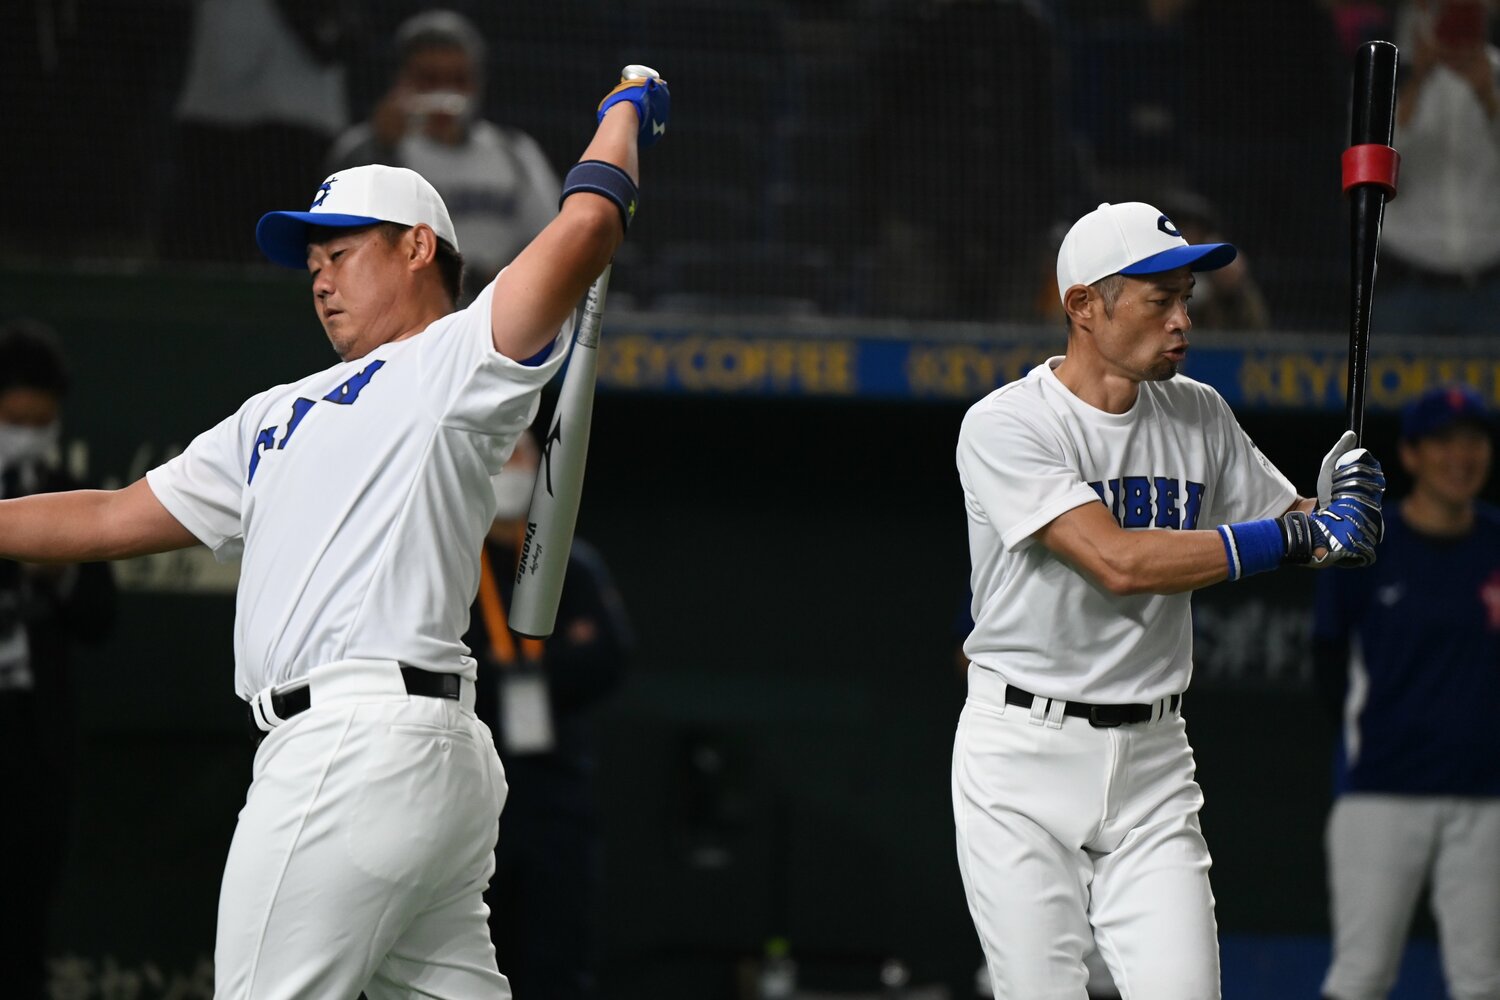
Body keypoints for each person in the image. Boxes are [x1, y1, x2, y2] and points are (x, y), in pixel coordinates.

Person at [0, 68, 668, 998]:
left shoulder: (456, 358)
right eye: (309, 263)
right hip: (416, 763)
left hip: (351, 746)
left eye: (339, 252)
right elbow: (111, 515)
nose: (318, 277)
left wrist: (625, 111)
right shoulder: (273, 412)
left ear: (416, 247)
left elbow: (589, 226)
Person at [952, 200, 1386, 999]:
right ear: (1084, 306)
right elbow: (1117, 561)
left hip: (1153, 761)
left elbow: (1293, 527)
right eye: (1159, 300)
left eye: (1186, 297)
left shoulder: (1197, 410)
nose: (1183, 320)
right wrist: (1303, 537)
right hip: (1021, 756)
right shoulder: (1006, 425)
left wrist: (1337, 517)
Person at [1312, 384, 1500, 1000]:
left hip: (1487, 798)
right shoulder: (1369, 544)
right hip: (1381, 792)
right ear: (1413, 456)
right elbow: (1329, 660)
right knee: (1362, 975)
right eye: (1443, 443)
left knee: (1483, 981)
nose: (1461, 457)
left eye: (1473, 442)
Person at [466, 429, 631, 999]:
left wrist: (515, 672)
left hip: (555, 790)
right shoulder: (456, 561)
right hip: (474, 791)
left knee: (556, 957)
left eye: (522, 455)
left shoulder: (570, 563)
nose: (511, 467)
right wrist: (555, 660)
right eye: (501, 454)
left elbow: (609, 656)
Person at [0, 320, 116, 999]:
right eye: (15, 421)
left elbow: (100, 618)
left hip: (32, 744)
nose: (28, 437)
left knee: (23, 922)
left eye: (41, 425)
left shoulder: (69, 494)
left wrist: (59, 574)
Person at [328, 10, 562, 291]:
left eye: (458, 79)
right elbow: (343, 237)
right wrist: (381, 148)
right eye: (430, 79)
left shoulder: (515, 150)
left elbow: (553, 237)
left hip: (504, 306)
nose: (444, 91)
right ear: (402, 79)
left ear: (478, 84)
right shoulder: (366, 148)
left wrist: (503, 279)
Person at [1376, 0, 1500, 335]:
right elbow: (1373, 174)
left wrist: (1489, 98)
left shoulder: (1496, 74)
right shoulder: (1386, 74)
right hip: (1405, 290)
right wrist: (1418, 83)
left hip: (1489, 291)